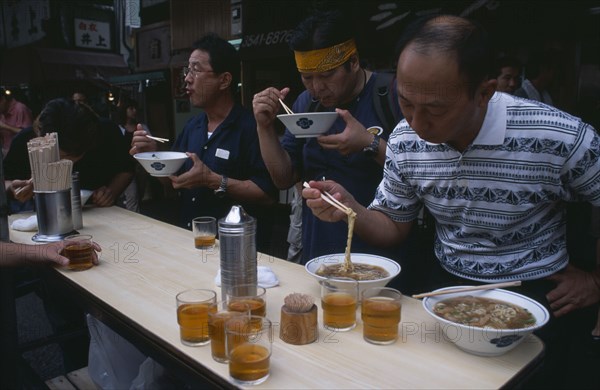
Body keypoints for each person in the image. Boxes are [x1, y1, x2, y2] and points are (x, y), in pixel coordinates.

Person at [302, 14, 600, 389]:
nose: (418, 123)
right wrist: (351, 210)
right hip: (444, 291)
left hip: (538, 294)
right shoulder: (405, 141)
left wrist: (595, 280)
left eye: (436, 109)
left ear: (484, 92)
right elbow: (393, 225)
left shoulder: (558, 135)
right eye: (406, 103)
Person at [252, 10, 407, 267]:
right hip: (319, 251)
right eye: (307, 77)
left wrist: (369, 143)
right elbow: (282, 178)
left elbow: (419, 175)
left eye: (326, 76)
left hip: (380, 254)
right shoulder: (305, 103)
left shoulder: (391, 95)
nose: (317, 87)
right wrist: (264, 127)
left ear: (354, 61)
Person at [130, 33, 277, 252]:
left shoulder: (252, 127)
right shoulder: (193, 126)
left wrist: (213, 180)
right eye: (187, 70)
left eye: (196, 70)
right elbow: (173, 183)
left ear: (224, 80)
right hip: (191, 242)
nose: (187, 78)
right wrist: (153, 156)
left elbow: (267, 195)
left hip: (237, 251)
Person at [4, 98, 134, 210]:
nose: (61, 163)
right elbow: (5, 180)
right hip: (43, 217)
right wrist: (12, 188)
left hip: (99, 213)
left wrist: (111, 192)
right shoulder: (25, 141)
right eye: (55, 156)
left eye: (68, 156)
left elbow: (126, 168)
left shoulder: (105, 131)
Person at [115, 96, 150, 212]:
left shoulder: (142, 127)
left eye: (135, 108)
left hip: (141, 167)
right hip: (127, 168)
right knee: (132, 196)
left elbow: (151, 146)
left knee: (140, 194)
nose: (134, 111)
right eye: (131, 108)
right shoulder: (118, 129)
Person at [0, 86, 33, 158]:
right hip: (6, 153)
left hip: (21, 154)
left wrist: (4, 126)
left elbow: (28, 133)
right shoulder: (2, 112)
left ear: (3, 99)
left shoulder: (20, 109)